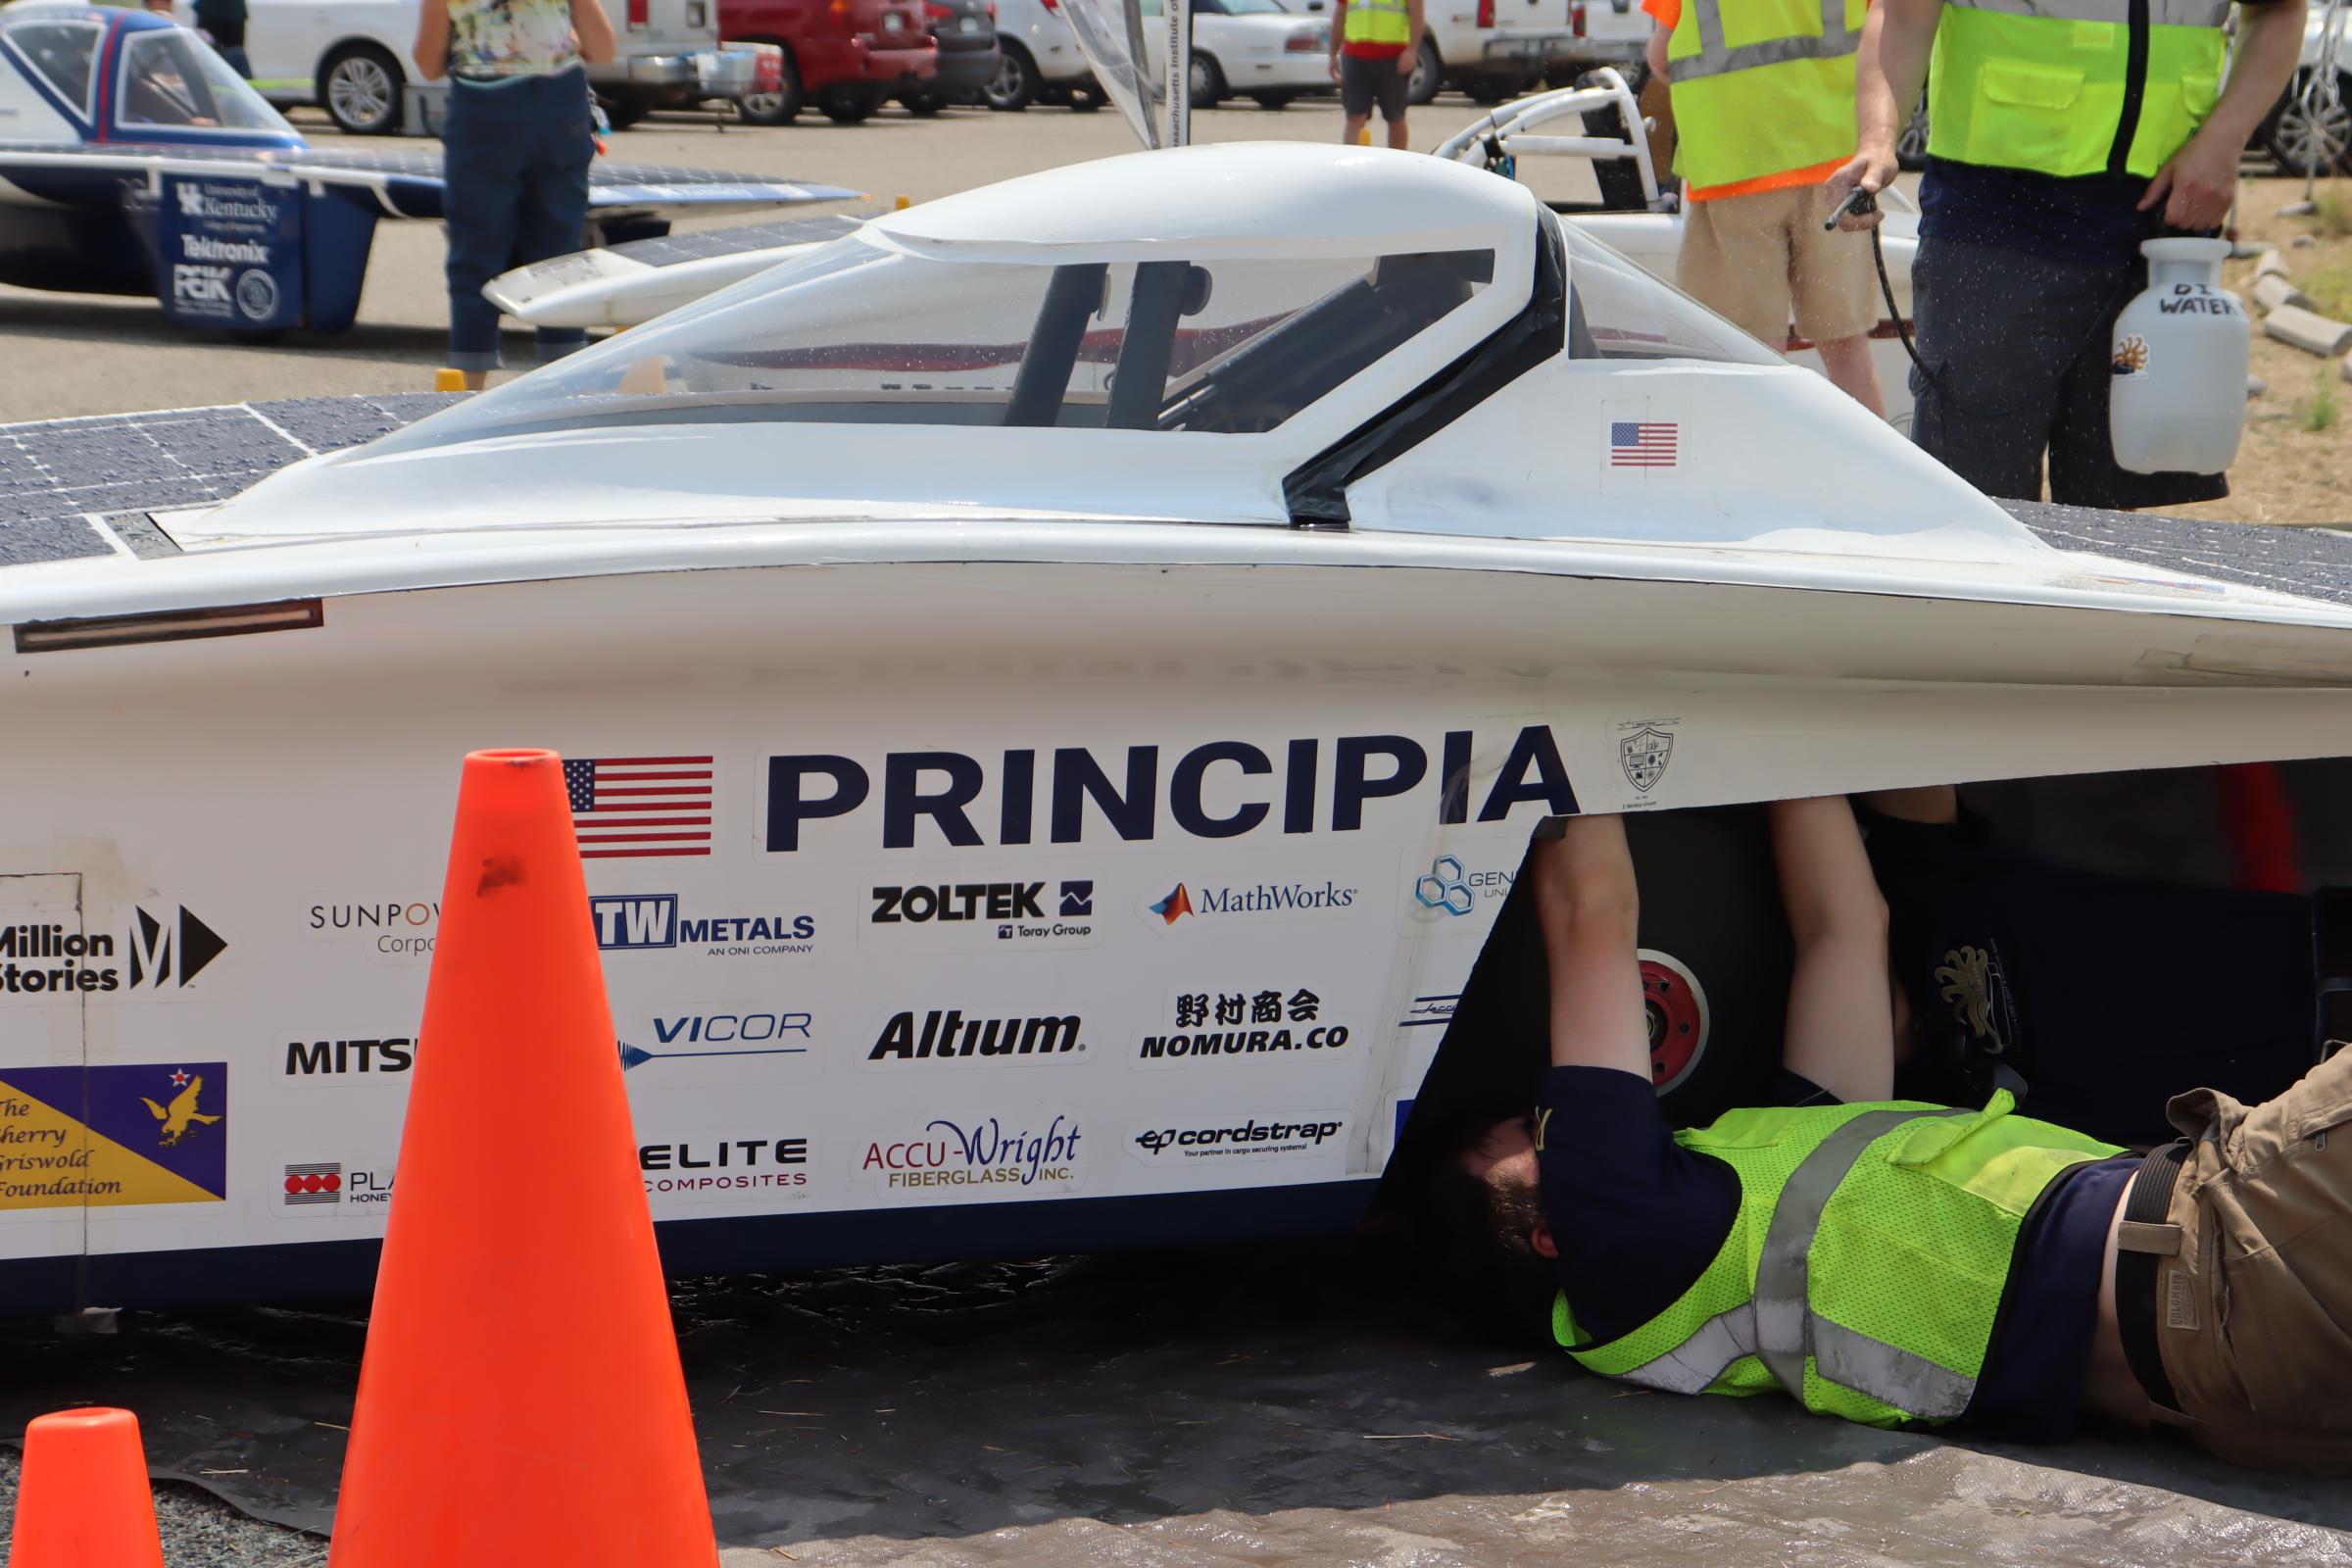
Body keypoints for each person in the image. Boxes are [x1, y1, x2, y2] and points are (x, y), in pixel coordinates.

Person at [1422, 799, 2352, 1472]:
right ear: (1548, 1232)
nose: (1534, 1119)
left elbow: (1845, 930)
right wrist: (1563, 683)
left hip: (2242, 1396)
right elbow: (1592, 918)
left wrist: (1793, 717)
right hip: (2235, 1246)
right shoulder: (1616, 1247)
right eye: (1514, 1138)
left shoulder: (1771, 1224)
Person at [1825, 0, 2308, 509]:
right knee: (1974, 510)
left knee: (2125, 527)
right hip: (1995, 225)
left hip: (2161, 235)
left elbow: (2279, 11)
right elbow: (1904, 13)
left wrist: (2225, 138)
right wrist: (1878, 138)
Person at [1641, 0, 1885, 415]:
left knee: (1751, 349)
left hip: (1733, 172)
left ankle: (1760, 473)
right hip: (1834, 170)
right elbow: (1887, 36)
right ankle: (1879, 474)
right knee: (1847, 348)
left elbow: (1661, 60)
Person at [415, 0, 617, 390]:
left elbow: (428, 63)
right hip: (561, 112)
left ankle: (467, 391)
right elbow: (604, 49)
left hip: (484, 114)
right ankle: (565, 390)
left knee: (476, 256)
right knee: (560, 256)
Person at [1328, 0, 1423, 152]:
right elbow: (1340, 14)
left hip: (1393, 55)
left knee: (1395, 116)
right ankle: (1351, 165)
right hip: (1355, 55)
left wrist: (1412, 51)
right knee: (1354, 115)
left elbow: (1417, 12)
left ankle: (1397, 165)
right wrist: (1332, 54)